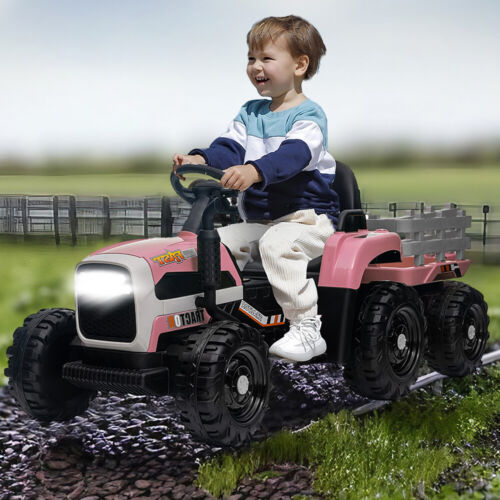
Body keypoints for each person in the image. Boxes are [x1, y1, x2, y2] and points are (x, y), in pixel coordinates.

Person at [173, 15, 339, 362]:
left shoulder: (309, 116)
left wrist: (254, 171)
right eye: (251, 58)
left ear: (299, 65)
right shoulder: (250, 113)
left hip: (309, 219)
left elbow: (294, 155)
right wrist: (200, 157)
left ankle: (307, 328)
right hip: (263, 222)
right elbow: (229, 148)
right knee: (215, 246)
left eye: (266, 58)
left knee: (277, 246)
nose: (255, 66)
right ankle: (218, 316)